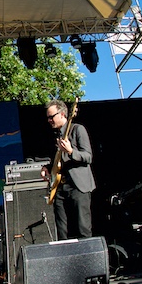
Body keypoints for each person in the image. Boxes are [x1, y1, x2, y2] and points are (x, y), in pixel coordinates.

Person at [41, 99, 96, 239]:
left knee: (82, 228)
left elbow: (88, 157)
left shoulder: (77, 129)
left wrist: (71, 152)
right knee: (62, 230)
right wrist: (46, 168)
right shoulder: (56, 137)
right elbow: (56, 162)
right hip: (60, 187)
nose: (49, 120)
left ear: (62, 114)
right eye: (48, 117)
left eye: (51, 116)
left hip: (78, 186)